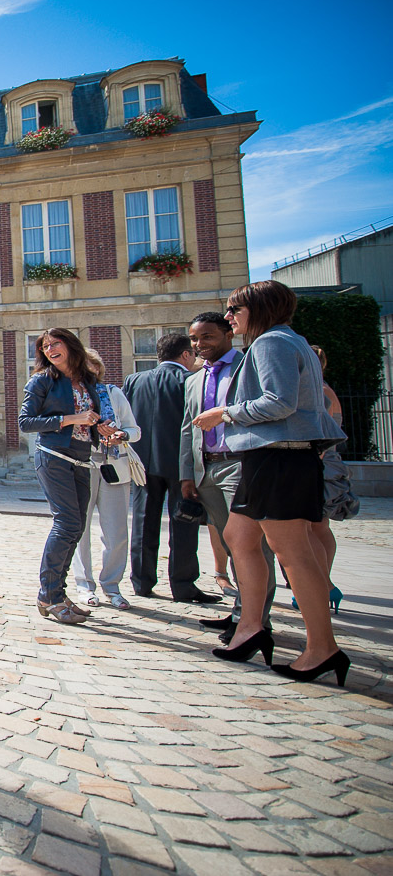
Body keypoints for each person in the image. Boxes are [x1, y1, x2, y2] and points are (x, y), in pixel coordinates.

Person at [194, 280, 350, 685]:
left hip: (280, 457)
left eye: (234, 310)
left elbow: (279, 402)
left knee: (293, 552)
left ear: (258, 309)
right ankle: (250, 627)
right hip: (273, 457)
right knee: (239, 538)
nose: (229, 318)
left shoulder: (271, 343)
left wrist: (225, 413)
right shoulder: (286, 340)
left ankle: (323, 648)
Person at [179, 312, 273, 643]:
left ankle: (258, 620)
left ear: (227, 334)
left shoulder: (250, 367)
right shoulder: (193, 380)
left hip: (241, 463)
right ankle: (241, 612)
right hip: (207, 469)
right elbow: (187, 428)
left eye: (207, 337)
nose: (199, 344)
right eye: (194, 339)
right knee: (231, 544)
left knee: (252, 545)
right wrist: (186, 474)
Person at [19, 328, 123, 625]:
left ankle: (58, 592)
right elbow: (26, 422)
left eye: (56, 344)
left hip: (81, 457)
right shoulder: (41, 381)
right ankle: (47, 595)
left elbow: (93, 417)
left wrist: (102, 428)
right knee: (66, 523)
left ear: (70, 346)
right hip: (53, 457)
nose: (50, 350)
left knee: (76, 527)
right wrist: (70, 419)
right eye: (45, 347)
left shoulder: (88, 381)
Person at [122, 334, 218, 603]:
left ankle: (141, 582)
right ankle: (183, 585)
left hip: (142, 463)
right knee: (184, 523)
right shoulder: (191, 380)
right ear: (186, 355)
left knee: (142, 521)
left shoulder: (134, 380)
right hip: (180, 463)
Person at [71, 350, 140, 610]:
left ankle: (112, 586)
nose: (87, 372)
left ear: (98, 369)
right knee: (80, 530)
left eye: (92, 367)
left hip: (114, 466)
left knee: (117, 533)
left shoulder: (114, 393)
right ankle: (84, 585)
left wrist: (120, 434)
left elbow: (135, 430)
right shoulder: (70, 397)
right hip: (81, 466)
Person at [307, 345, 348, 614]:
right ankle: (323, 584)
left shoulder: (321, 392)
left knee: (316, 527)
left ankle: (324, 583)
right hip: (325, 462)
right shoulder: (322, 389)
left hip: (320, 463)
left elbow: (326, 434)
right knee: (318, 527)